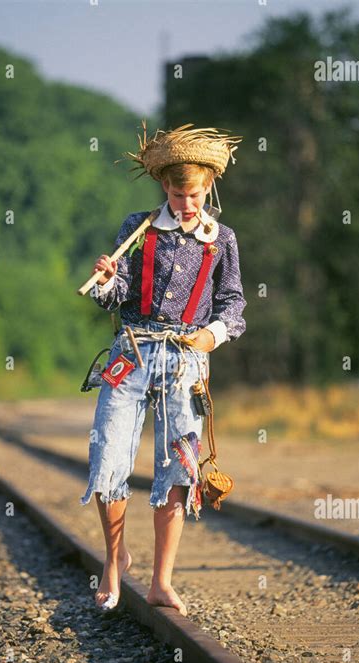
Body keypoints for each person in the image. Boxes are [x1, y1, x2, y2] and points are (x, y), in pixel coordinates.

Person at [79, 123, 247, 615]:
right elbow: (117, 296)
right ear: (164, 188)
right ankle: (114, 562)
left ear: (208, 187)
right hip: (130, 353)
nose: (186, 204)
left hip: (187, 360)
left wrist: (212, 334)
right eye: (177, 194)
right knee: (108, 457)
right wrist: (109, 280)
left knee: (178, 469)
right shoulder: (138, 227)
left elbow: (234, 303)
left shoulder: (224, 240)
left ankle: (160, 582)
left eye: (193, 194)